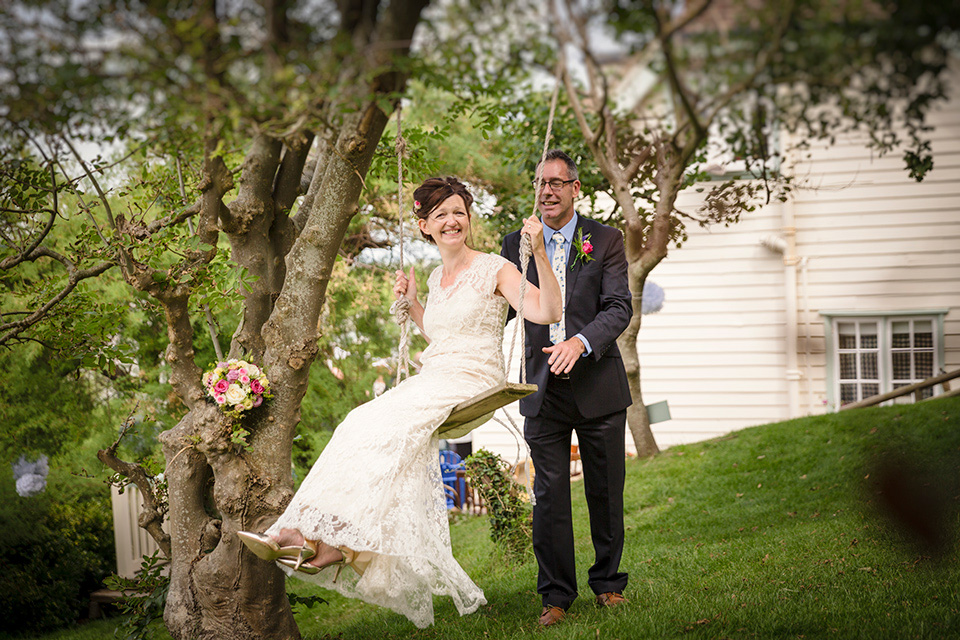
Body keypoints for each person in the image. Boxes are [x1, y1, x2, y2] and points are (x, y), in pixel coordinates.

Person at [238, 176, 562, 628]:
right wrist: (413, 307)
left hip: (473, 379)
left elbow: (547, 313)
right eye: (441, 215)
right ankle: (333, 544)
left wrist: (541, 255)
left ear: (468, 218)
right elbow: (445, 336)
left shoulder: (497, 267)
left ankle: (303, 534)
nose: (452, 221)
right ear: (424, 225)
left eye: (458, 212)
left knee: (379, 425)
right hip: (437, 374)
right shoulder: (435, 276)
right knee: (359, 422)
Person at [501, 150, 633, 626]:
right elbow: (502, 305)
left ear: (576, 188)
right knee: (550, 496)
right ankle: (555, 596)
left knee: (605, 490)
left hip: (597, 384)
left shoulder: (606, 239)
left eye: (558, 182)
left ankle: (608, 584)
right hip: (540, 389)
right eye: (541, 182)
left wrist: (580, 342)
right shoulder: (515, 241)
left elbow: (618, 307)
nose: (548, 190)